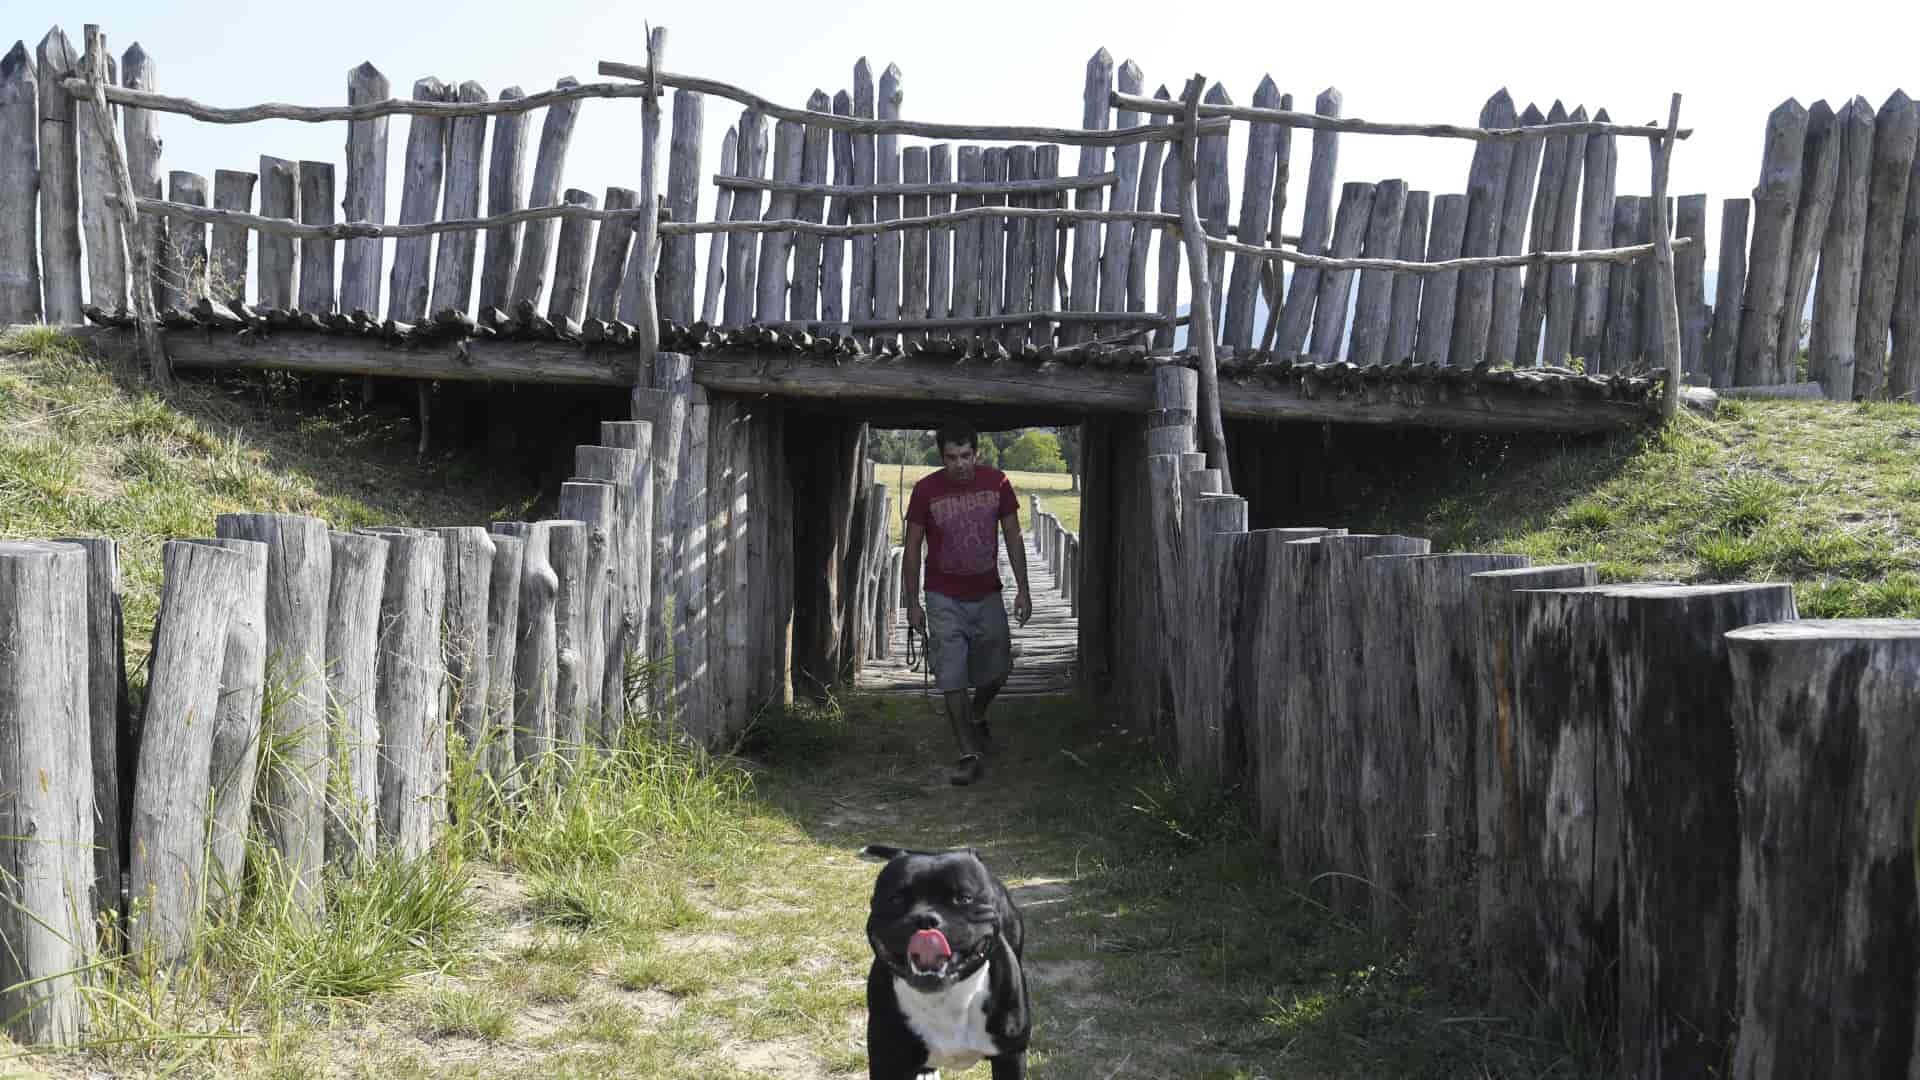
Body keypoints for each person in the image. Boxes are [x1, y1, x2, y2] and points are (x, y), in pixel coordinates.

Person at [903, 420, 1033, 786]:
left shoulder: (997, 483)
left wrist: (1023, 588)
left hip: (988, 592)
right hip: (942, 595)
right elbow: (913, 546)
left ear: (977, 453)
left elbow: (1012, 534)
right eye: (951, 457)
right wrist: (913, 603)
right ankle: (968, 753)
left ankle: (977, 713)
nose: (959, 464)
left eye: (965, 456)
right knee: (951, 675)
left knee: (999, 667)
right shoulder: (926, 490)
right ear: (941, 457)